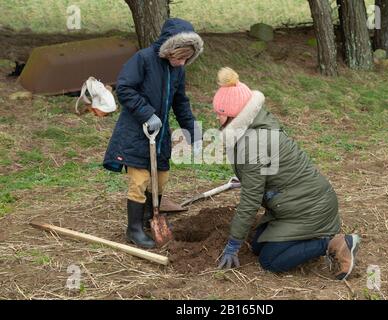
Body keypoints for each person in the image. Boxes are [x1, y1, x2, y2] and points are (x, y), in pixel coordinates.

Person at [213, 67, 360, 280]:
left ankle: (332, 243)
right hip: (296, 203)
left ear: (235, 115)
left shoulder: (254, 142)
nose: (217, 117)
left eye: (221, 113)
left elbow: (250, 200)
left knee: (270, 261)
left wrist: (234, 243)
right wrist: (246, 177)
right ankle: (314, 237)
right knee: (256, 245)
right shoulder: (255, 125)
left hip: (310, 209)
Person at [103, 18, 204, 249]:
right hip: (137, 132)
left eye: (186, 59)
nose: (182, 62)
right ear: (170, 49)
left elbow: (180, 102)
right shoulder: (144, 59)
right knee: (139, 180)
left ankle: (152, 218)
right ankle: (134, 229)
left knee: (160, 178)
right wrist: (147, 114)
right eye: (179, 57)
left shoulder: (178, 70)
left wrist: (193, 132)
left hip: (159, 137)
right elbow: (125, 88)